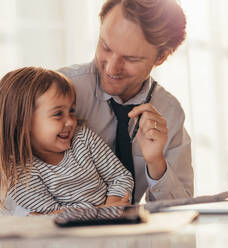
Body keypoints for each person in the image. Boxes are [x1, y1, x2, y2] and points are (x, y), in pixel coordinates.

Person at [59, 0, 194, 202]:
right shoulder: (59, 92)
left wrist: (156, 163)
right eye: (105, 47)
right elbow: (2, 185)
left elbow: (181, 208)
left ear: (161, 57)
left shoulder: (169, 112)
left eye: (131, 59)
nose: (111, 69)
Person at [0, 67, 134, 215]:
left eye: (71, 111)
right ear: (23, 123)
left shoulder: (82, 137)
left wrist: (113, 205)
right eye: (58, 114)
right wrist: (103, 213)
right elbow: (54, 219)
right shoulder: (21, 174)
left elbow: (120, 176)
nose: (71, 122)